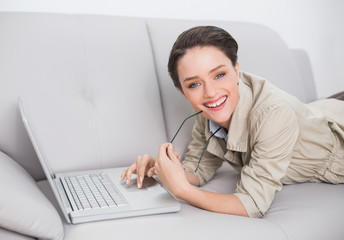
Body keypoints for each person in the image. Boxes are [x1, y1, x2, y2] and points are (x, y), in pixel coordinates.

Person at [121, 26, 344, 218]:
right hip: (321, 109)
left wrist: (183, 191)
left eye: (219, 75)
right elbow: (200, 168)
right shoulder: (207, 113)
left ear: (236, 71)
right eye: (194, 84)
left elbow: (252, 204)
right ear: (183, 93)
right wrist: (162, 169)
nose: (210, 93)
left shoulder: (273, 114)